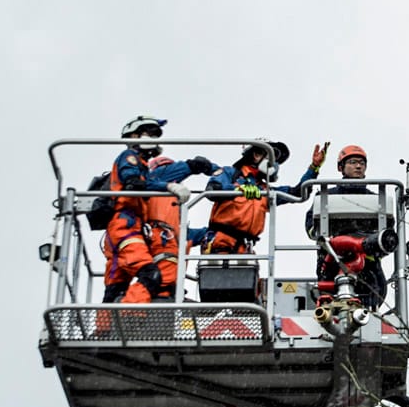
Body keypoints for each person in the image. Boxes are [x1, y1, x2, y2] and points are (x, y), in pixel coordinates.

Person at [102, 116, 214, 304]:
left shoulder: (143, 167)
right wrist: (168, 186)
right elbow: (134, 184)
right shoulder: (129, 158)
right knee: (151, 275)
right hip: (126, 226)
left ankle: (104, 331)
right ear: (134, 135)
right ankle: (129, 316)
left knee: (115, 287)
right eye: (150, 134)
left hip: (124, 227)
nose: (154, 139)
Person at [202, 140, 328, 255]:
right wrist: (238, 190)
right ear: (256, 154)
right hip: (220, 244)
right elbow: (212, 190)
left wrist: (314, 168)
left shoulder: (264, 190)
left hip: (244, 249)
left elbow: (298, 193)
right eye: (270, 158)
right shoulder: (230, 174)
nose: (274, 164)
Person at [306, 144, 390, 309]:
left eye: (361, 163)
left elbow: (387, 235)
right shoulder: (325, 196)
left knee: (372, 305)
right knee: (329, 305)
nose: (358, 166)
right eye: (352, 162)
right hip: (332, 260)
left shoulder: (378, 201)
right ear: (341, 167)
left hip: (368, 264)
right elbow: (311, 227)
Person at [143, 154, 216, 299]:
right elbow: (187, 167)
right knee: (162, 285)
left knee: (163, 285)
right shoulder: (157, 179)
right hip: (161, 243)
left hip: (169, 243)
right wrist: (215, 170)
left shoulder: (173, 217)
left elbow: (186, 235)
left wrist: (218, 231)